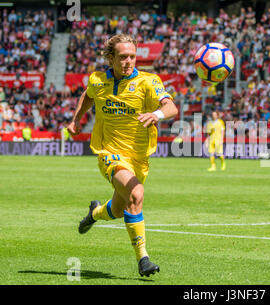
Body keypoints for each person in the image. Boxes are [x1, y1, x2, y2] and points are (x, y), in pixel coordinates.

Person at [68, 34, 178, 277]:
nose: (128, 61)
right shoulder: (98, 80)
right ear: (111, 58)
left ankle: (95, 213)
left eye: (132, 56)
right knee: (136, 194)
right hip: (109, 153)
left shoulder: (149, 81)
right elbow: (88, 96)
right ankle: (144, 259)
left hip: (139, 158)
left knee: (119, 210)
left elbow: (171, 106)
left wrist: (157, 115)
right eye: (122, 56)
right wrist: (76, 119)